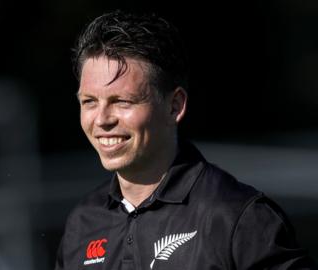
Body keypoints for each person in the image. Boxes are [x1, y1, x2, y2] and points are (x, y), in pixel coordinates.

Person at [55, 10, 316, 270]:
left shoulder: (236, 217)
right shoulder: (82, 223)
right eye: (89, 102)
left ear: (175, 106)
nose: (101, 120)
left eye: (122, 101)